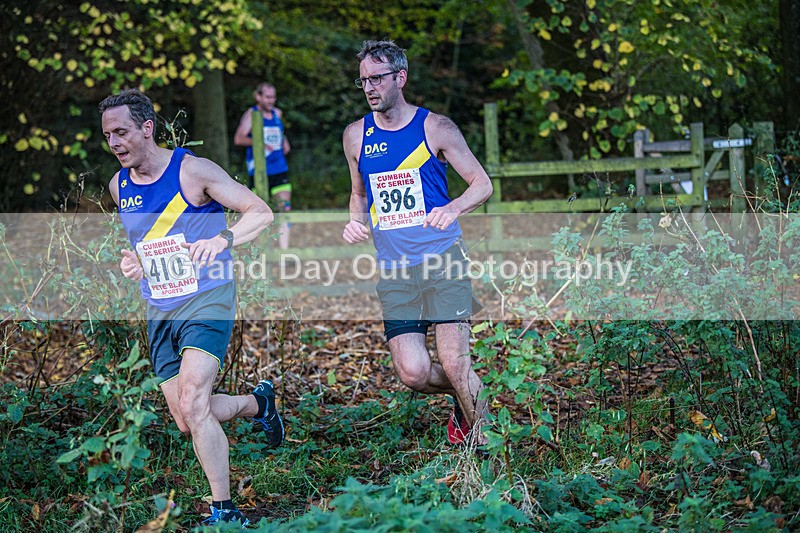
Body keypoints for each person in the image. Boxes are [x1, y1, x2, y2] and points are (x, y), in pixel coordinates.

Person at [100, 88, 285, 527]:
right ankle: (259, 406)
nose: (115, 143)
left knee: (194, 399)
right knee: (187, 418)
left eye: (122, 132)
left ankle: (225, 511)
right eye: (108, 135)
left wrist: (222, 239)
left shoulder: (192, 171)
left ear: (147, 128)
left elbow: (260, 212)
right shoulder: (118, 185)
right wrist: (134, 263)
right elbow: (143, 248)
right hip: (160, 308)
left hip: (208, 298)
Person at [341, 40, 493, 451]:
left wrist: (453, 208)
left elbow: (482, 184)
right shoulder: (355, 136)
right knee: (413, 372)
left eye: (377, 79)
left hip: (443, 260)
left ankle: (489, 454)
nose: (369, 88)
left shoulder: (436, 128)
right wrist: (356, 221)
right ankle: (468, 401)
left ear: (400, 78)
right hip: (395, 270)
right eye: (363, 81)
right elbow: (359, 194)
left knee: (457, 365)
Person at [234, 82, 292, 249]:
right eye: (267, 97)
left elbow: (280, 133)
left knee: (284, 210)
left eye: (273, 97)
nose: (271, 100)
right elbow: (239, 138)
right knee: (258, 213)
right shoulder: (252, 114)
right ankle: (258, 252)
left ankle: (284, 251)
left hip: (279, 168)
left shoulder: (277, 114)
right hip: (259, 171)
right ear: (258, 97)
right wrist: (259, 143)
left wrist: (284, 142)